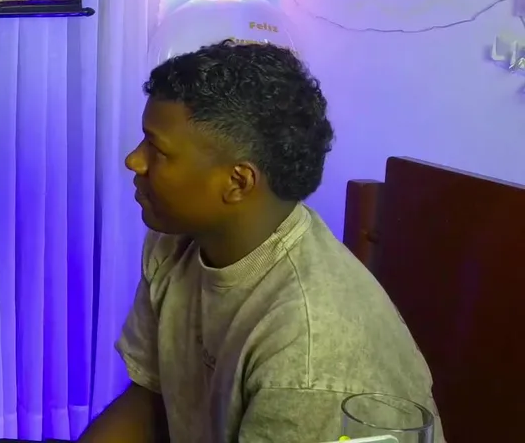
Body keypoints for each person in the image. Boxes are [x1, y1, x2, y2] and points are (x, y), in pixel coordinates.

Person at [81, 41, 443, 443]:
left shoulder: (308, 353)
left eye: (158, 149)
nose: (134, 160)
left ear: (238, 182)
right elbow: (150, 400)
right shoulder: (175, 242)